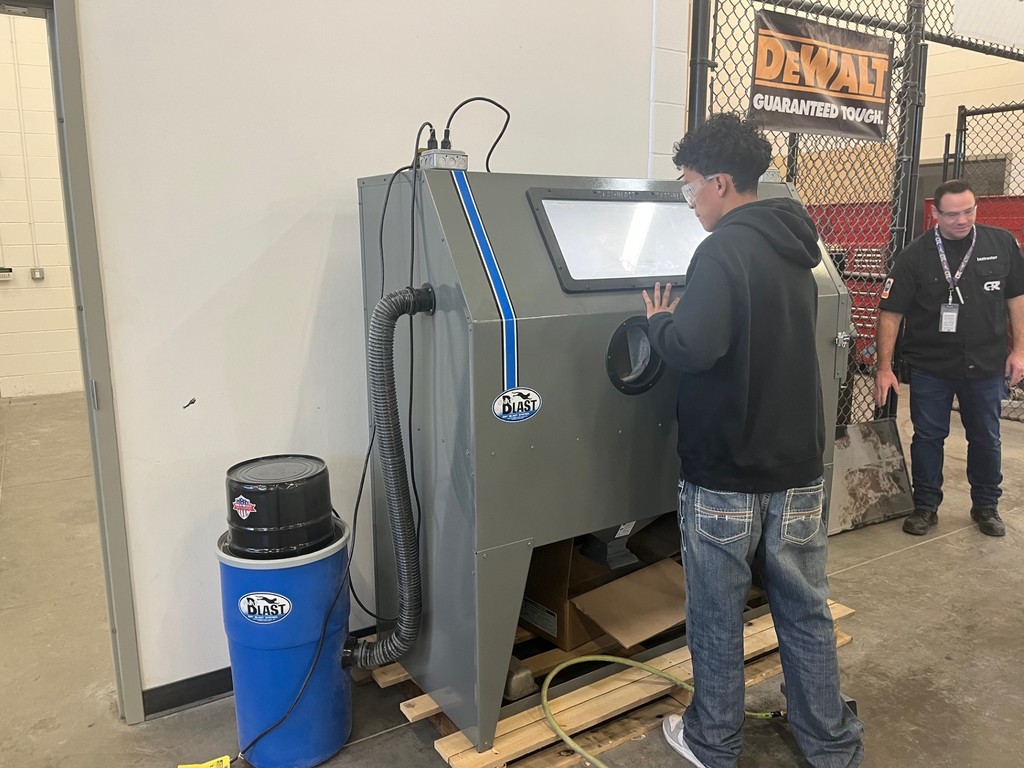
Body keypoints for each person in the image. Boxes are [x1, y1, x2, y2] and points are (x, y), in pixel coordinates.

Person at [643, 112, 864, 768]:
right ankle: (830, 743)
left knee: (716, 614)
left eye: (688, 188)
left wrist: (658, 323)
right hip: (797, 467)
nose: (689, 201)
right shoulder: (796, 242)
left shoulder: (722, 249)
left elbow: (695, 345)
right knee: (803, 608)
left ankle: (712, 742)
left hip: (727, 474)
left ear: (719, 183)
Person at [874, 179, 1024, 537]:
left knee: (986, 436)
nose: (962, 220)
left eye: (969, 211)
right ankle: (926, 506)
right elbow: (890, 312)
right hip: (931, 366)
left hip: (986, 364)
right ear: (935, 214)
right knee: (927, 437)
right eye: (953, 214)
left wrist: (1019, 349)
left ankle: (986, 506)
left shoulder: (1001, 244)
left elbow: (1016, 298)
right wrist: (883, 368)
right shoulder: (916, 255)